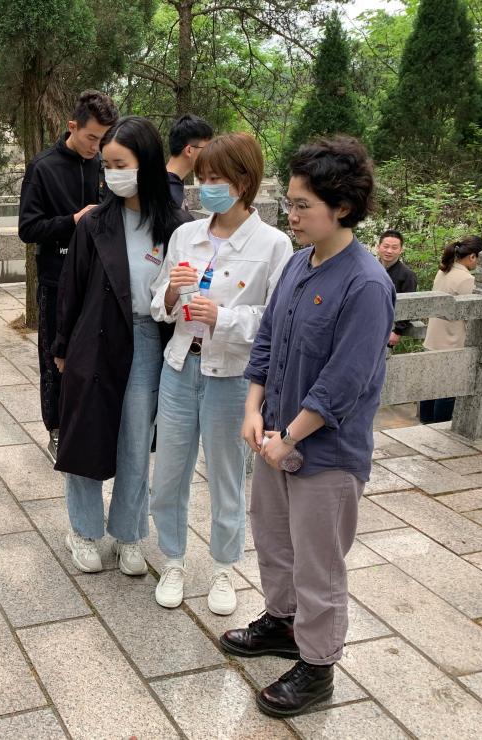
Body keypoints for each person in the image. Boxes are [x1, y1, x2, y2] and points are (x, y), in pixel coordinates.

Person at [221, 136, 395, 718]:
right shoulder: (300, 262)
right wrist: (253, 410)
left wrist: (291, 436)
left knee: (319, 562)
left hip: (325, 453)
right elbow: (268, 340)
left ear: (341, 207)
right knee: (273, 539)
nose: (291, 216)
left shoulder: (367, 284)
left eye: (302, 205)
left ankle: (318, 668)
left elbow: (344, 382)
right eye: (290, 203)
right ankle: (282, 622)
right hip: (274, 436)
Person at [149, 133, 293, 616]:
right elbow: (159, 301)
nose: (206, 187)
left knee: (227, 477)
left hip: (231, 377)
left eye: (217, 179)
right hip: (179, 366)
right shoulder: (185, 235)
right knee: (169, 472)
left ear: (244, 181)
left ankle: (223, 568)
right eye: (203, 178)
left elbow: (275, 320)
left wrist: (224, 317)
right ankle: (172, 560)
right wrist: (173, 293)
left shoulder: (273, 245)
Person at [51, 116, 192, 575]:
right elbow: (71, 289)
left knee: (135, 440)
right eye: (107, 165)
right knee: (86, 433)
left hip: (147, 338)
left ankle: (129, 534)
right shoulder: (95, 223)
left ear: (145, 163)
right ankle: (84, 530)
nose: (113, 174)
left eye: (121, 164)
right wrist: (61, 346)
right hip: (94, 337)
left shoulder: (177, 226)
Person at [19, 90, 119, 463]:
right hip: (56, 279)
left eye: (103, 139)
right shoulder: (43, 167)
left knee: (97, 356)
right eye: (91, 137)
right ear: (72, 126)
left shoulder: (106, 165)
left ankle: (91, 423)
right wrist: (73, 222)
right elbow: (28, 228)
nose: (97, 147)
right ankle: (57, 430)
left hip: (99, 280)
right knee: (54, 359)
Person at [419, 235, 482, 423]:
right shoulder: (466, 279)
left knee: (430, 387)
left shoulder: (443, 271)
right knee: (447, 391)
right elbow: (472, 315)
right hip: (451, 342)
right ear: (473, 256)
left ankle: (425, 423)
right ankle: (439, 427)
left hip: (433, 340)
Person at [376, 229, 417, 346]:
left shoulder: (407, 275)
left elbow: (409, 304)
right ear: (378, 247)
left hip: (390, 327)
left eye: (394, 248)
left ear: (401, 250)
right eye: (386, 246)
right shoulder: (370, 269)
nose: (389, 251)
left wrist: (398, 331)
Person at [166, 114, 214, 211]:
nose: (209, 155)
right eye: (206, 149)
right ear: (189, 150)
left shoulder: (170, 184)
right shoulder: (168, 194)